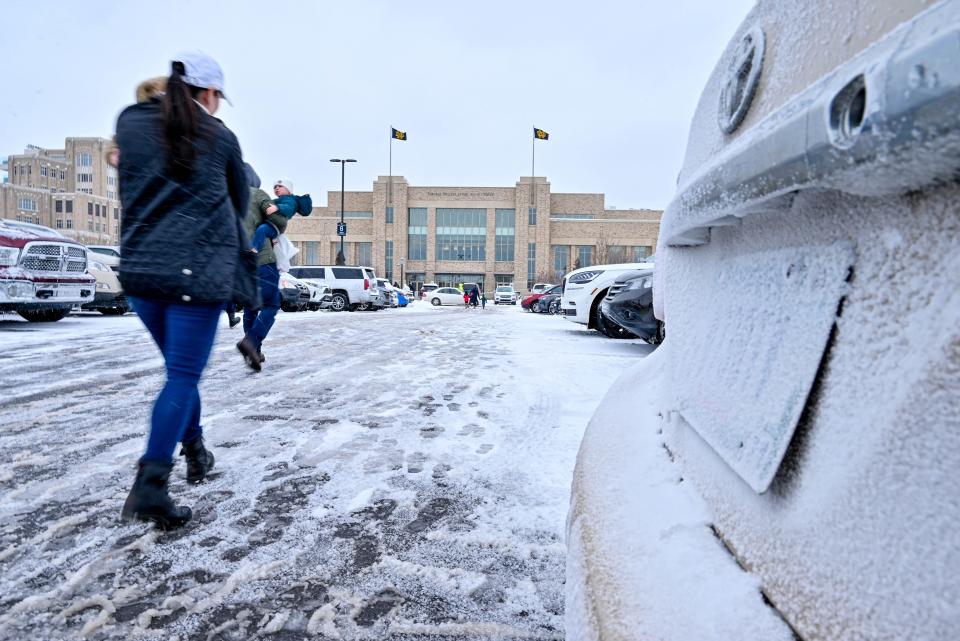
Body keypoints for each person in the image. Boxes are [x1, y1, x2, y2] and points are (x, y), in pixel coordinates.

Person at [116, 52, 248, 529]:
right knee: (183, 376)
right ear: (208, 93)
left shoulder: (130, 123)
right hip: (195, 276)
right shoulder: (219, 137)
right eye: (218, 98)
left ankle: (195, 450)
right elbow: (238, 202)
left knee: (178, 372)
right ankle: (152, 482)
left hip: (141, 273)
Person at [237, 167, 289, 371]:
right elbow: (280, 223)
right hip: (261, 260)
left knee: (250, 307)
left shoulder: (228, 197)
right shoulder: (257, 194)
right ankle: (251, 342)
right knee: (270, 304)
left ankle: (254, 353)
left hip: (240, 263)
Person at [248, 178, 312, 252]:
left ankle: (255, 248)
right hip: (271, 223)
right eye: (275, 187)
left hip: (275, 226)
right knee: (260, 231)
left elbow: (289, 208)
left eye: (280, 186)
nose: (277, 188)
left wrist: (277, 207)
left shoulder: (290, 200)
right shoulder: (279, 199)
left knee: (262, 229)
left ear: (289, 190)